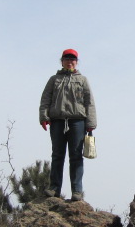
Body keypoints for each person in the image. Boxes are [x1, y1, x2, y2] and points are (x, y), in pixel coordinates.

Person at [39, 48, 97, 201]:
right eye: (67, 59)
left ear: (76, 62)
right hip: (57, 121)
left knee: (76, 156)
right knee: (57, 155)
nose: (69, 61)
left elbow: (89, 102)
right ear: (62, 61)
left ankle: (77, 191)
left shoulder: (82, 80)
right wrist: (44, 117)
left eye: (72, 59)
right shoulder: (54, 79)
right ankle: (54, 188)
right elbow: (46, 99)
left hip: (77, 121)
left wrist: (91, 123)